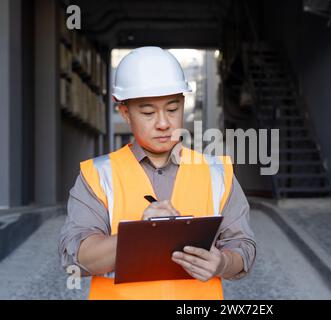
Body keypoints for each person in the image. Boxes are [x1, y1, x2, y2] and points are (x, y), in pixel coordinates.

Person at [58, 46, 256, 300]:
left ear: (183, 104)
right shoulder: (97, 176)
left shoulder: (218, 174)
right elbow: (75, 256)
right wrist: (137, 237)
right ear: (125, 113)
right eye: (148, 112)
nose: (163, 123)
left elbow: (243, 247)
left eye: (173, 109)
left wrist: (222, 263)